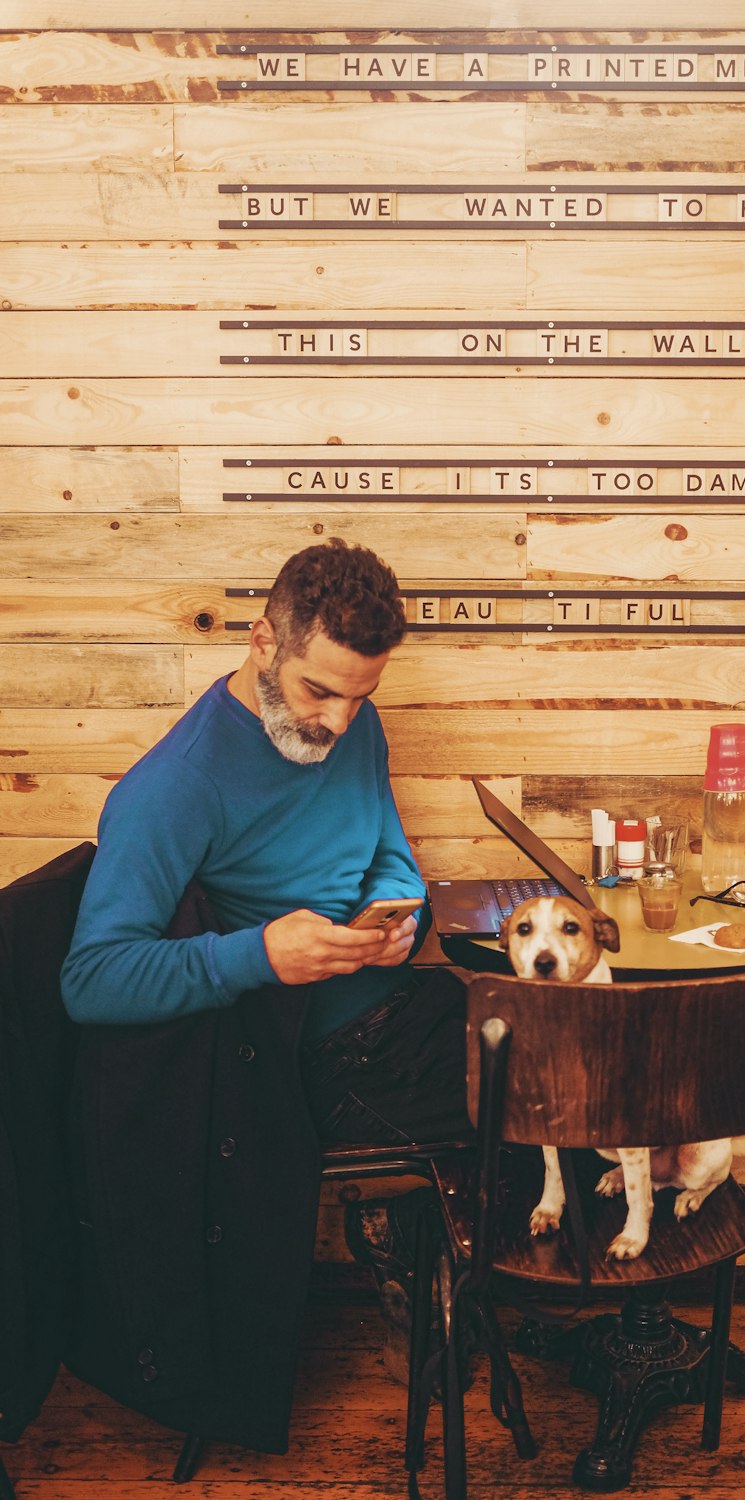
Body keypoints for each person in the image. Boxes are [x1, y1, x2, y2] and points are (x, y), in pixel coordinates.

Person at [61, 538, 471, 1397]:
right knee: (545, 1081)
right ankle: (452, 1271)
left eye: (362, 697)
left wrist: (403, 916)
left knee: (555, 1031)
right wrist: (261, 955)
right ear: (262, 641)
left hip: (396, 1007)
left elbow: (389, 854)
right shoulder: (176, 785)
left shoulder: (351, 720)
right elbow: (92, 978)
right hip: (297, 1056)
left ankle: (453, 1268)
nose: (338, 722)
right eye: (318, 690)